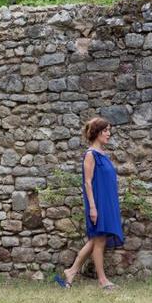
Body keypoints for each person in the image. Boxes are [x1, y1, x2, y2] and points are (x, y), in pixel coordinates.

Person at [56, 117, 123, 291]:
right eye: (106, 130)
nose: (109, 134)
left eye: (109, 130)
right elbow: (87, 182)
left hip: (107, 203)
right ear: (97, 132)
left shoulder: (103, 154)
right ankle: (102, 280)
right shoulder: (90, 155)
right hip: (98, 204)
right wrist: (93, 207)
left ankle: (71, 271)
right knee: (99, 240)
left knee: (96, 240)